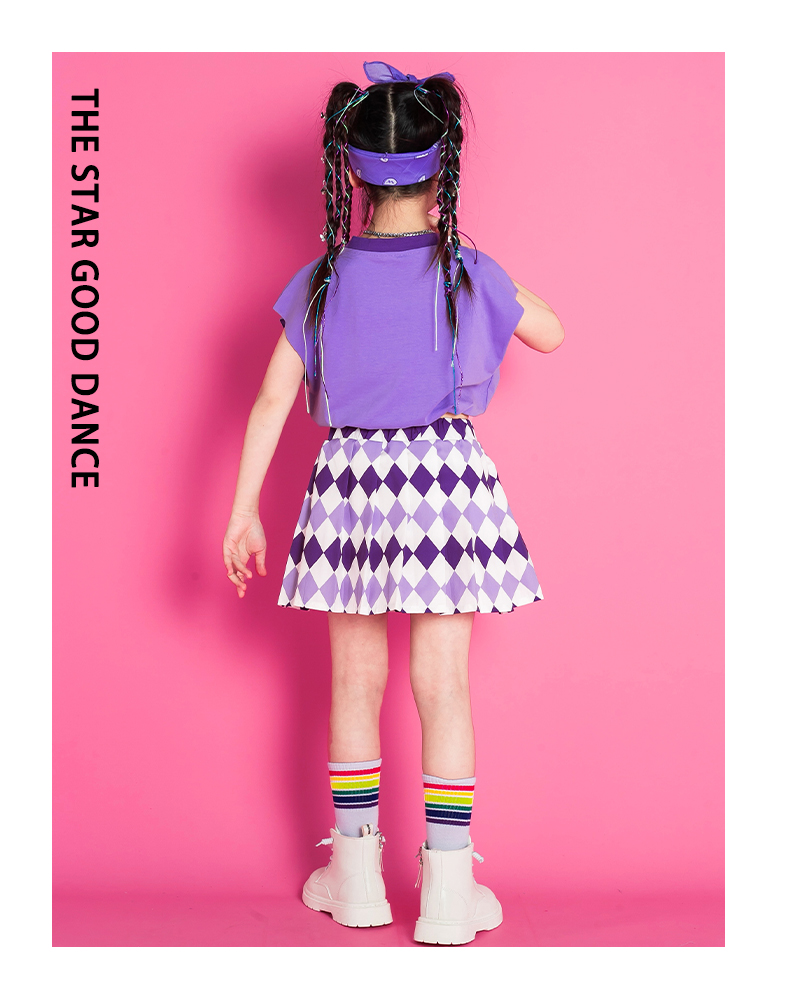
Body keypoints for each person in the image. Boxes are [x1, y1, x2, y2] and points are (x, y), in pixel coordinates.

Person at [222, 60, 564, 946]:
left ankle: (356, 876)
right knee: (442, 685)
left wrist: (244, 510)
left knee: (354, 681)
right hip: (444, 481)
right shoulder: (466, 271)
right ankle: (448, 889)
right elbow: (551, 330)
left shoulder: (322, 279)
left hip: (351, 485)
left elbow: (270, 400)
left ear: (351, 172)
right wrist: (471, 253)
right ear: (441, 168)